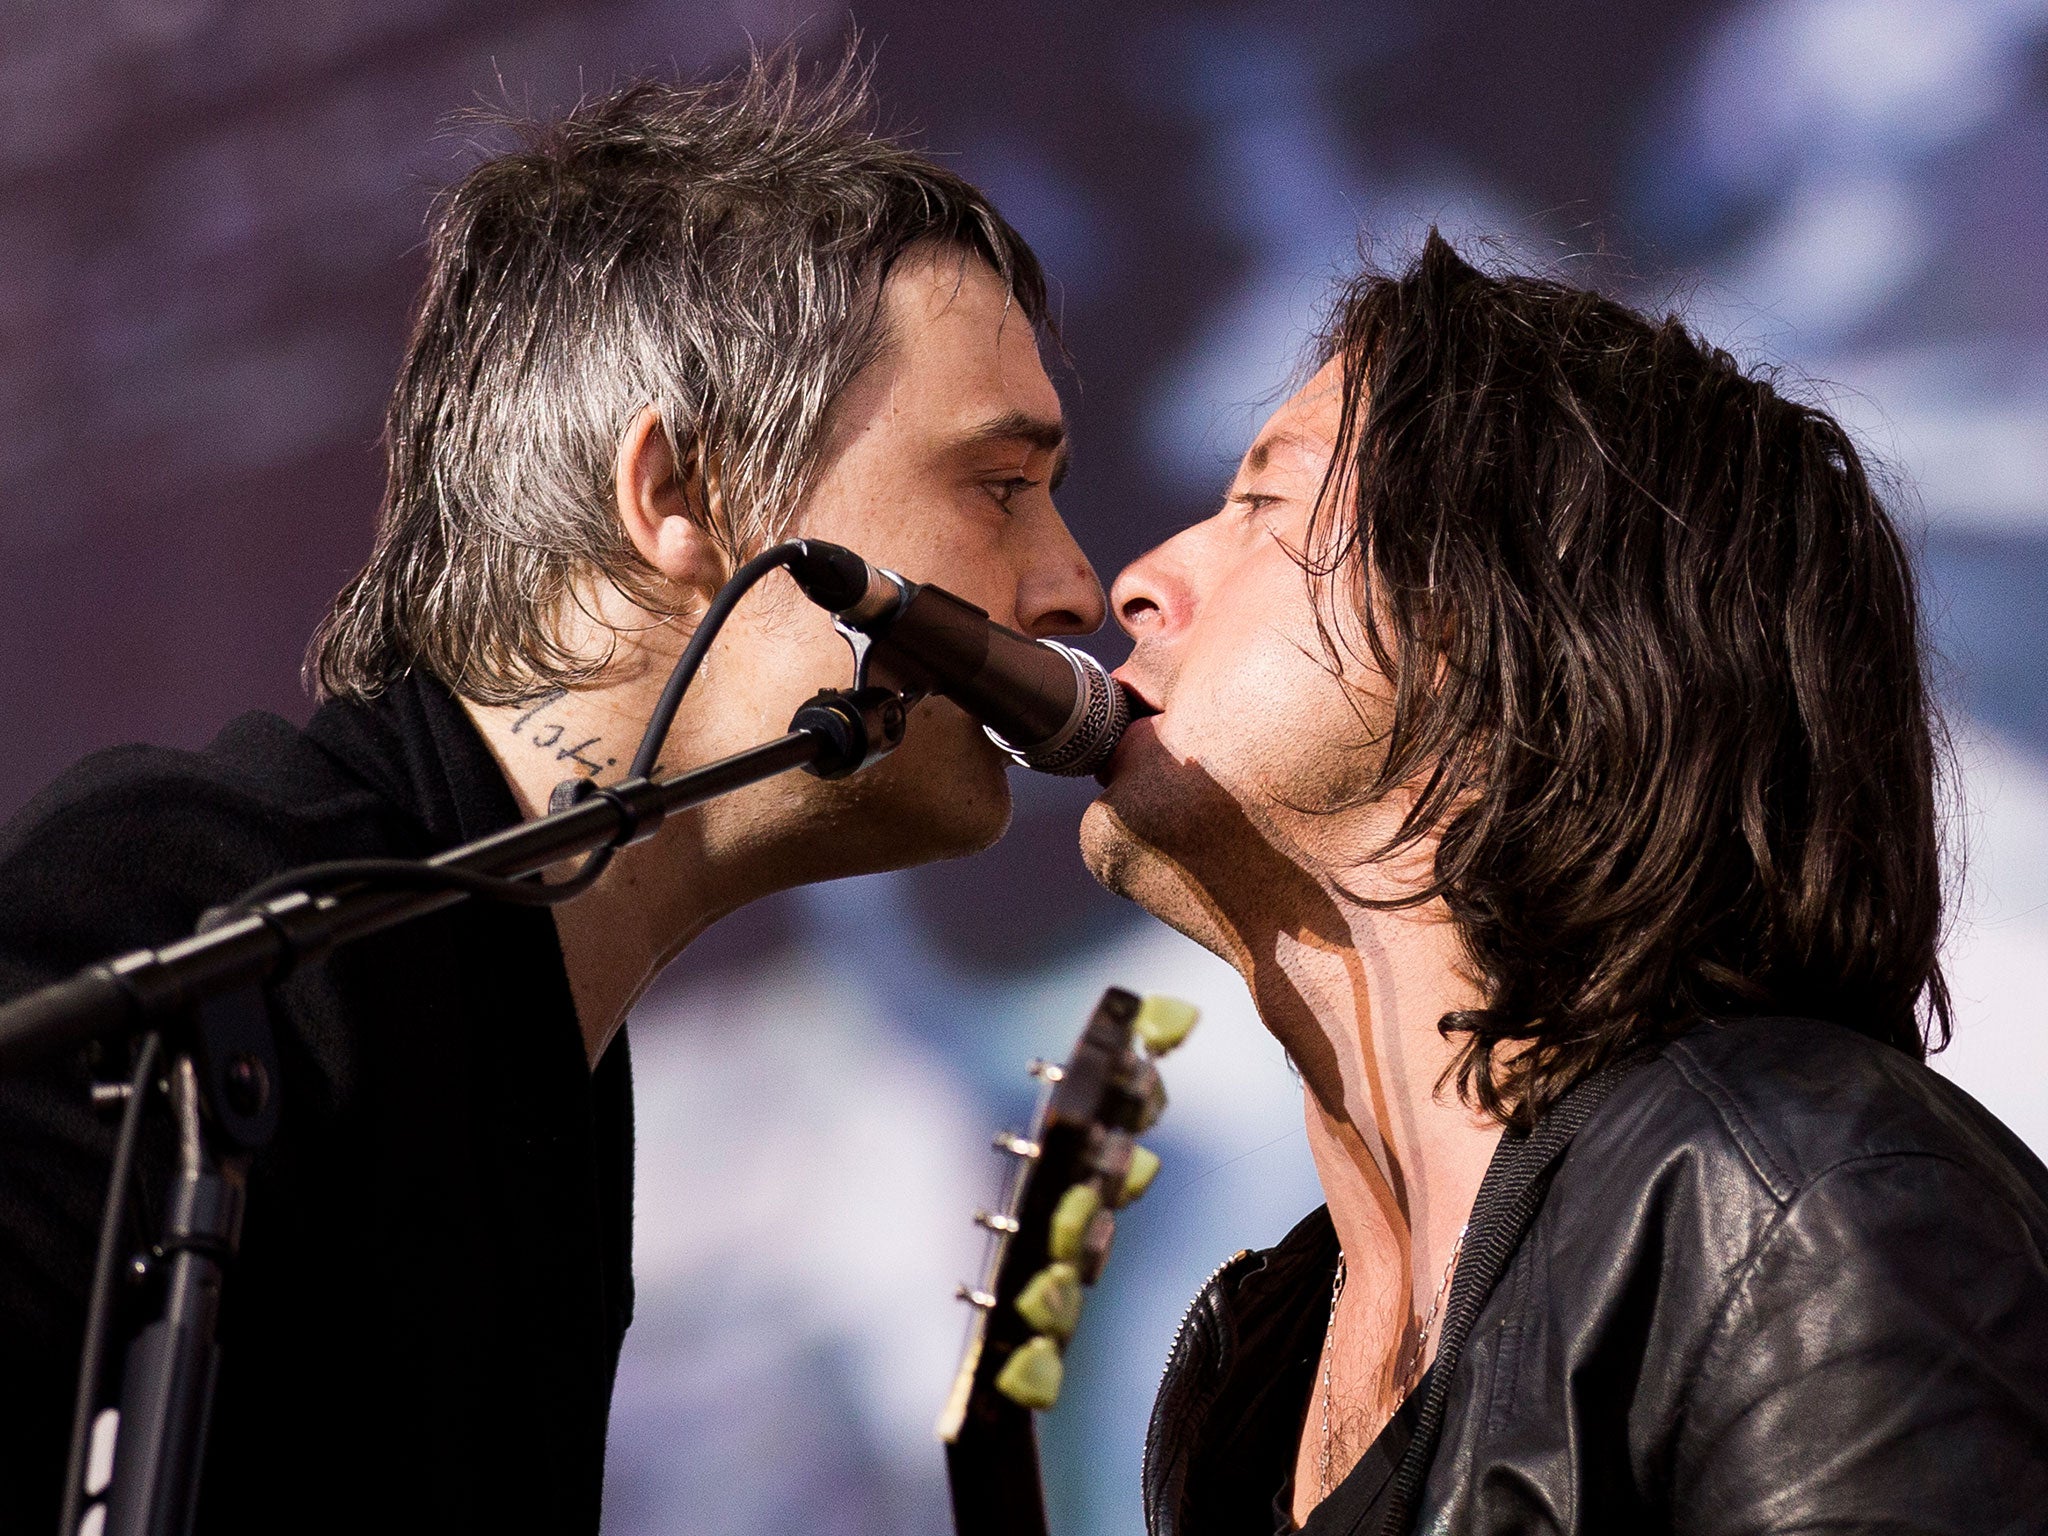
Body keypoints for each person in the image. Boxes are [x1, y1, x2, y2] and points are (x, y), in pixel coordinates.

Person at [0, 58, 1102, 1533]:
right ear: (682, 495)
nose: (1076, 586)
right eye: (1000, 486)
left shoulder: (548, 1047)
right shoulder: (208, 894)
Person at [1083, 232, 2048, 1534]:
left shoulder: (1793, 1201)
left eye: (1266, 506)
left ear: (1494, 631)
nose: (1137, 582)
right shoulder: (1248, 1384)